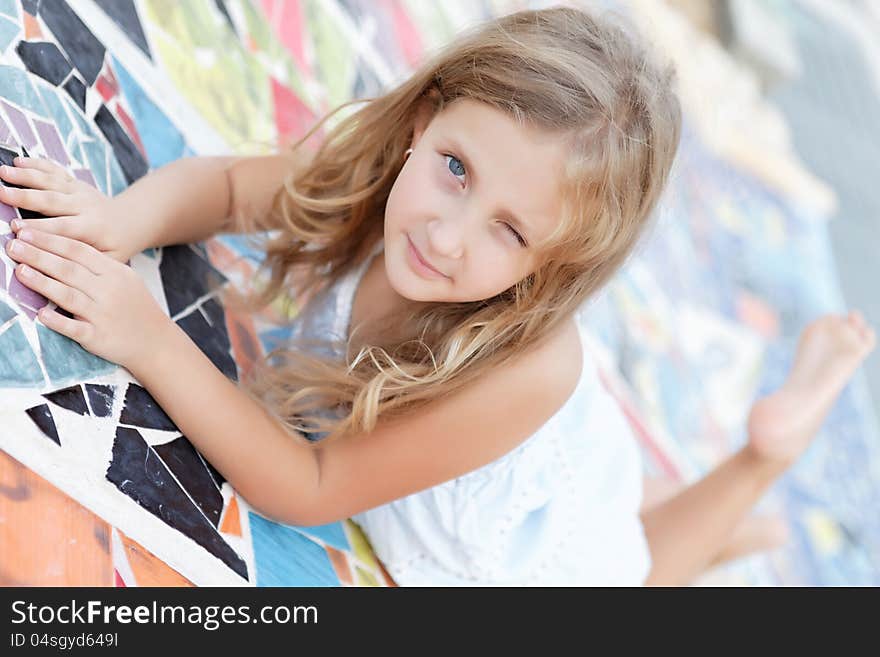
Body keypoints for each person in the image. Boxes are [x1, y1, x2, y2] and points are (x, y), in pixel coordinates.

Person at [0, 6, 874, 586]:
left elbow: (308, 484)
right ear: (425, 121)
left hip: (521, 502)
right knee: (614, 484)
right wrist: (120, 221)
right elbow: (230, 187)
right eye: (457, 168)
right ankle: (729, 505)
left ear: (551, 268)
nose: (447, 234)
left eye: (511, 230)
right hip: (515, 447)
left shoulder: (520, 370)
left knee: (630, 566)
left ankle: (765, 453)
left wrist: (150, 338)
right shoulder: (388, 167)